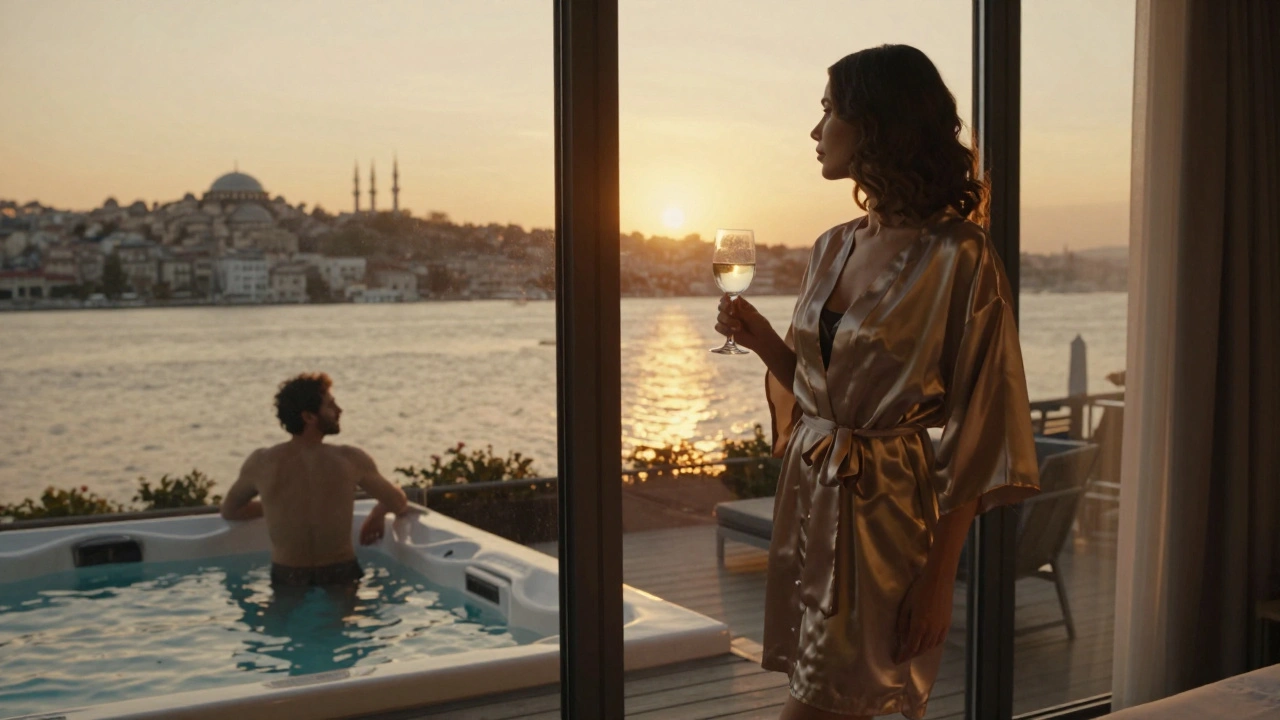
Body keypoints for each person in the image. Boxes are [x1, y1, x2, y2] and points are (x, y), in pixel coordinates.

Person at [715, 45, 1040, 720]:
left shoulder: (960, 256)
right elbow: (816, 391)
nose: (815, 131)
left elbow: (985, 420)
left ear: (876, 125)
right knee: (842, 702)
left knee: (838, 703)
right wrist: (764, 340)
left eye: (829, 110)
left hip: (889, 513)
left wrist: (939, 577)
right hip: (811, 502)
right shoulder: (833, 245)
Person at [220, 372, 411, 588]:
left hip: (288, 574)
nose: (340, 411)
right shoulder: (350, 459)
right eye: (331, 406)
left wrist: (279, 505)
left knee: (282, 622)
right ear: (309, 417)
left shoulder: (261, 462)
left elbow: (231, 511)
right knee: (342, 622)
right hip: (340, 572)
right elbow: (399, 503)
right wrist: (378, 512)